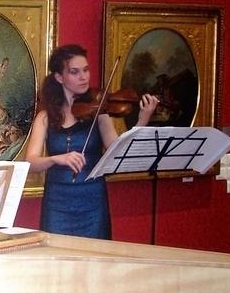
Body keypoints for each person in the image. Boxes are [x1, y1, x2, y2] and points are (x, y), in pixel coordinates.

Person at [25, 44, 159, 238]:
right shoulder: (45, 117)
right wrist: (55, 159)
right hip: (57, 204)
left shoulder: (100, 112)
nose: (84, 77)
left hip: (93, 202)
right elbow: (30, 163)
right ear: (59, 77)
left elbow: (119, 152)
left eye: (86, 70)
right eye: (75, 72)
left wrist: (142, 120)